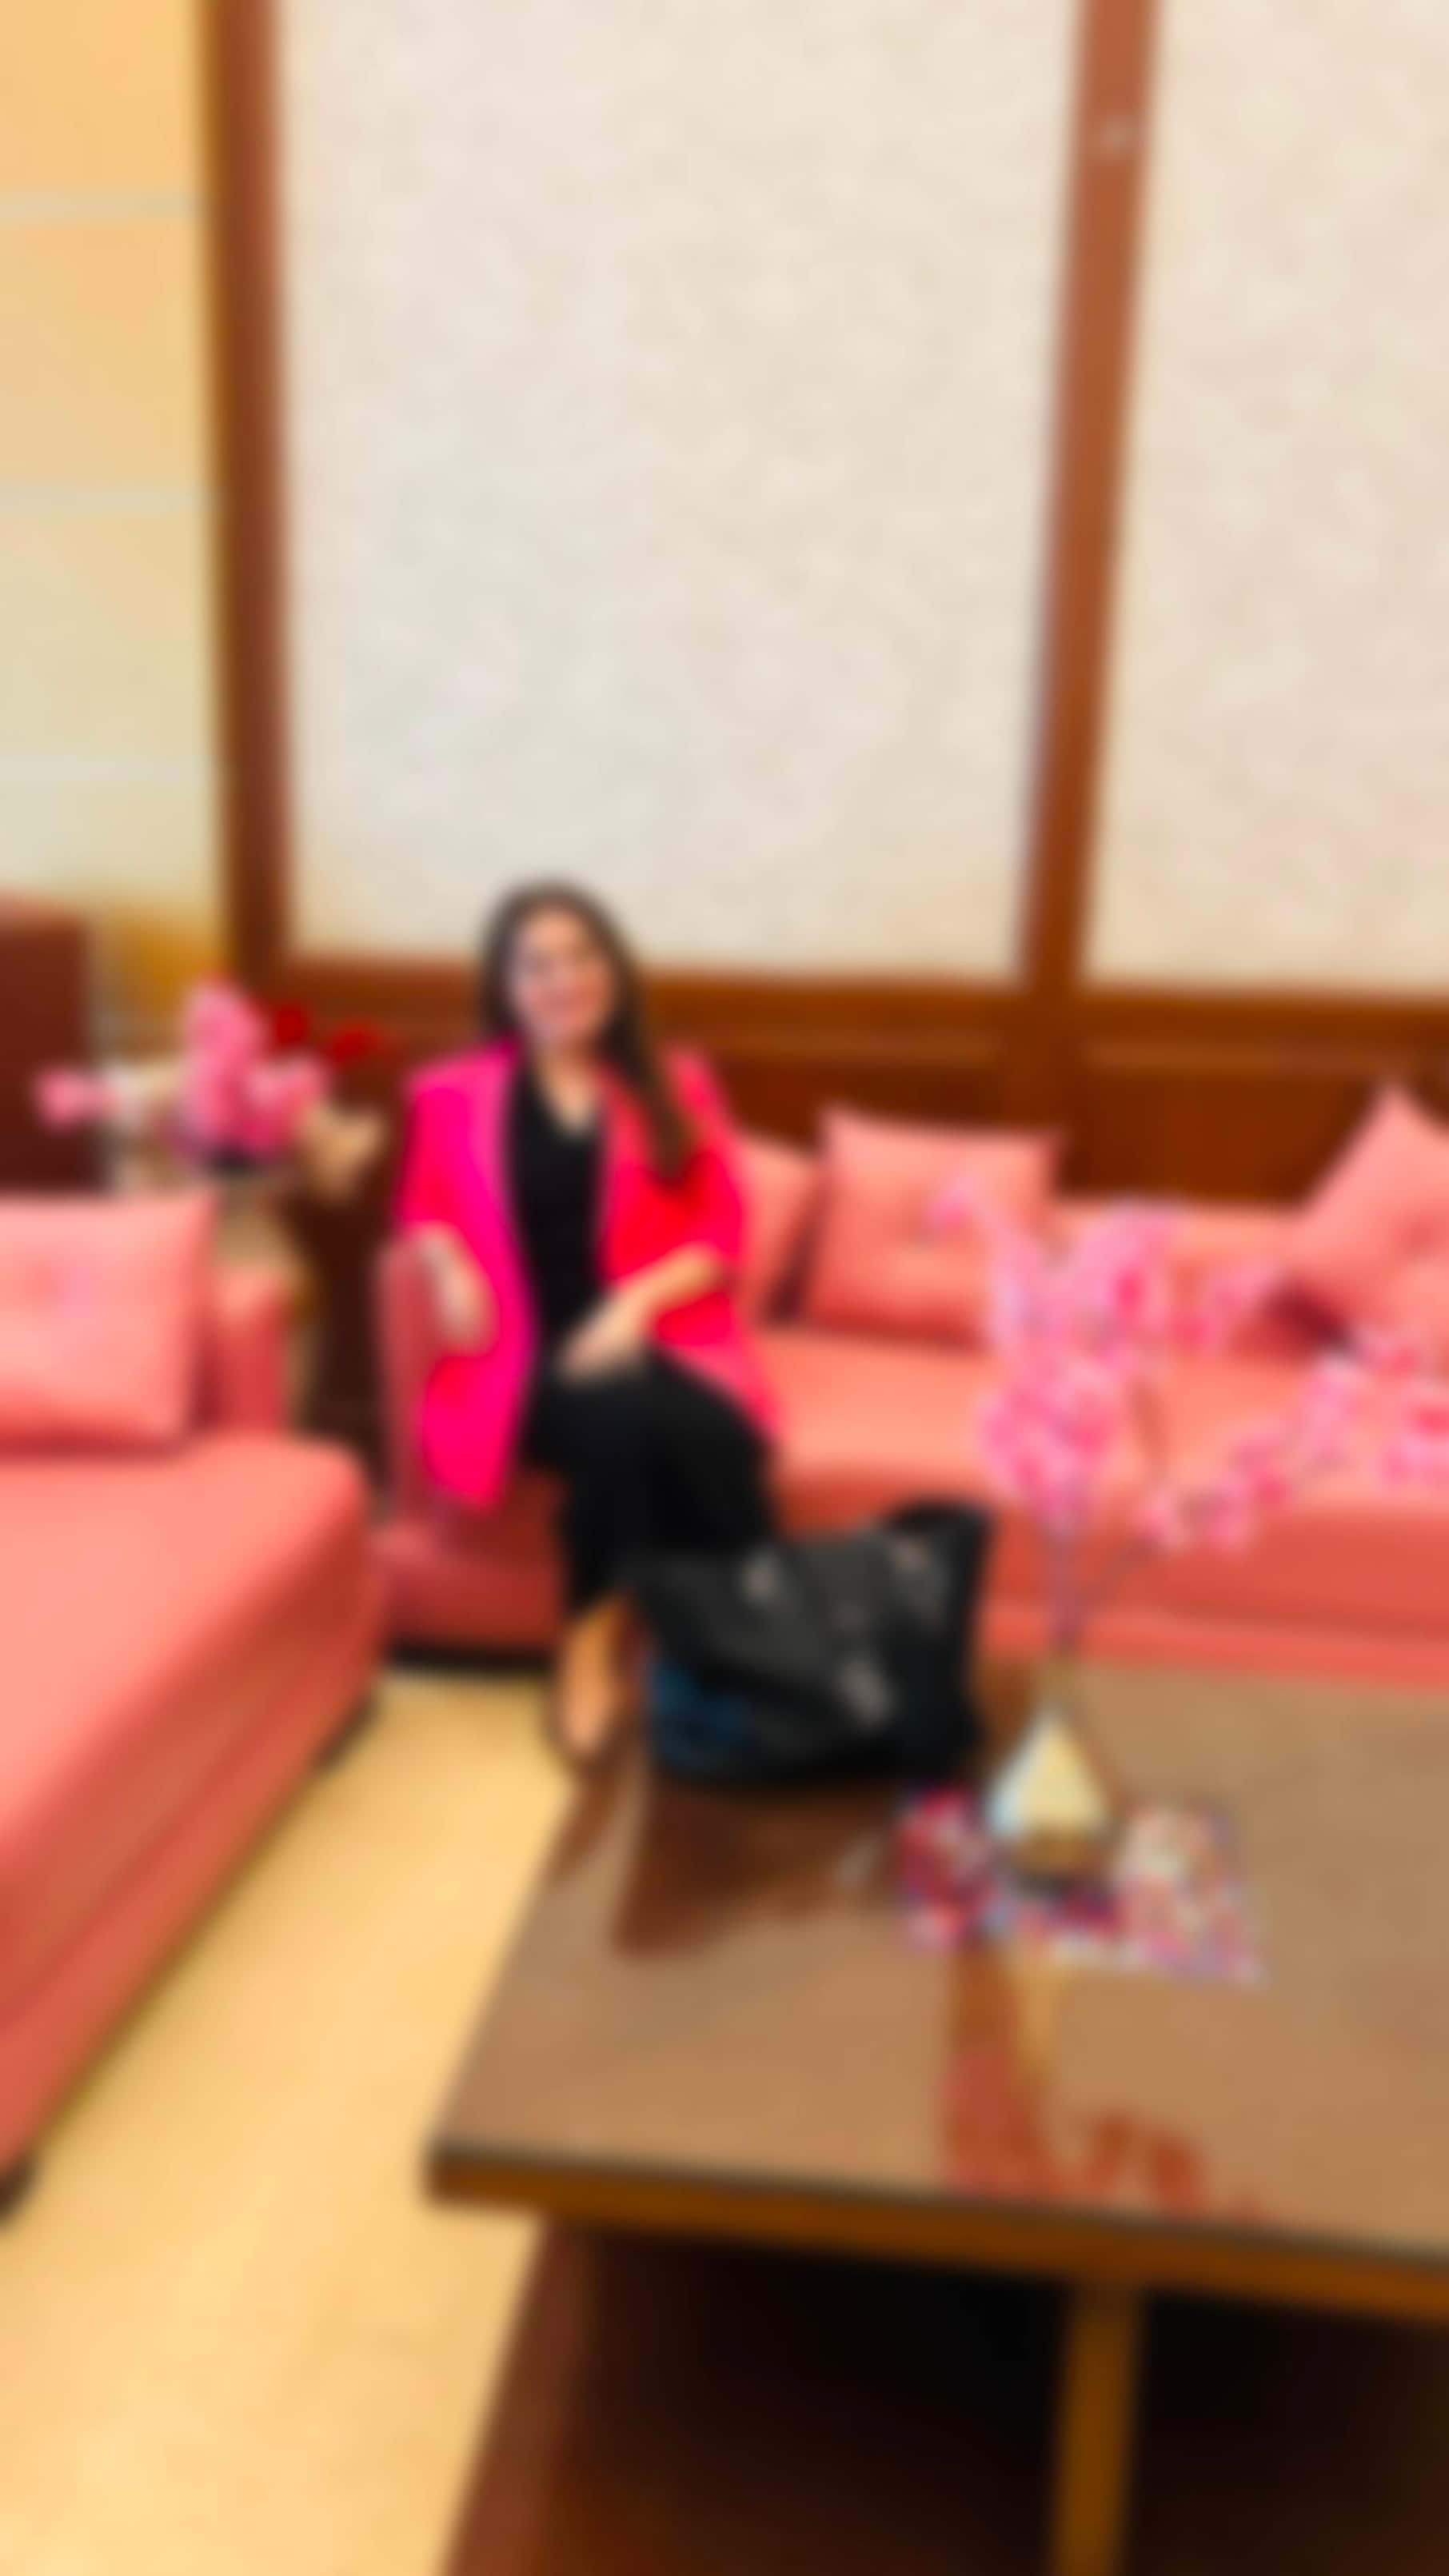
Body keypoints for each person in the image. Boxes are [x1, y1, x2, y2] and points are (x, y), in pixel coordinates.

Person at [395, 882, 777, 1766]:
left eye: (581, 956)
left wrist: (634, 1305)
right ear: (506, 986)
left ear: (613, 968)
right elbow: (422, 1201)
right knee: (624, 1426)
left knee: (725, 1437)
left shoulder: (673, 1081)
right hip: (518, 1355)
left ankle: (731, 1647)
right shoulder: (453, 1093)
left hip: (643, 1336)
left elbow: (725, 1227)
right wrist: (448, 1265)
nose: (563, 979)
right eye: (537, 965)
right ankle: (587, 1652)